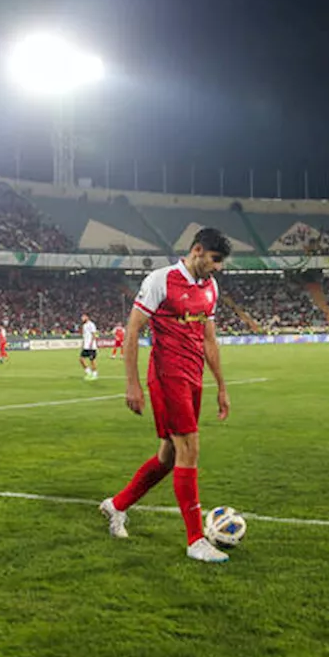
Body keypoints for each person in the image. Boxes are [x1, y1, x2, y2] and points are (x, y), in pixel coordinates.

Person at [100, 227, 232, 564]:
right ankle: (195, 540)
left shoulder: (210, 288)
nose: (218, 268)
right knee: (190, 448)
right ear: (198, 250)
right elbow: (132, 329)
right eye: (215, 260)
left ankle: (116, 506)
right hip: (166, 376)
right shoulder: (162, 280)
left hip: (193, 379)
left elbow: (209, 340)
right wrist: (133, 384)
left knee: (169, 456)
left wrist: (221, 386)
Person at [79, 313, 98, 380]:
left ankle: (94, 374)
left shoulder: (91, 324)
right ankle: (88, 372)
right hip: (86, 346)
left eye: (83, 317)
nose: (82, 318)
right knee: (81, 359)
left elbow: (94, 334)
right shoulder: (84, 325)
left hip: (91, 346)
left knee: (92, 360)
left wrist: (91, 344)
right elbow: (84, 336)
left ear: (87, 317)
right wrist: (83, 344)